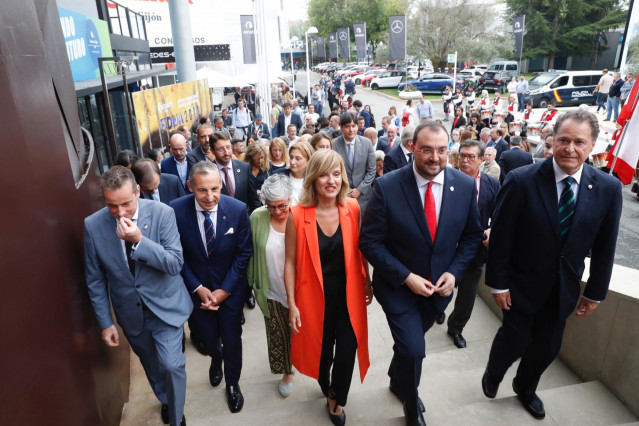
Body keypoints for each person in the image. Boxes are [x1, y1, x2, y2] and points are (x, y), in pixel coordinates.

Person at [482, 110, 623, 420]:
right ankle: (494, 371)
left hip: (564, 288)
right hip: (519, 284)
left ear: (592, 145)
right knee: (514, 339)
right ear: (552, 141)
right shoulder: (521, 181)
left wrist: (595, 292)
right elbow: (502, 238)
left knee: (547, 348)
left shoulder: (609, 188)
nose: (570, 148)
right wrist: (499, 283)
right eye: (563, 140)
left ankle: (525, 387)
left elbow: (605, 247)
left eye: (579, 142)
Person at [360, 122, 483, 426]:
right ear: (413, 148)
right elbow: (369, 242)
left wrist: (454, 273)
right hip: (398, 288)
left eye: (442, 150)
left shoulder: (465, 186)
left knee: (408, 346)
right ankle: (411, 407)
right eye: (427, 149)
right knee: (415, 350)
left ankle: (395, 377)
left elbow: (471, 237)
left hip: (438, 292)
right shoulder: (387, 186)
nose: (434, 157)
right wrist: (406, 277)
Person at [84, 166, 192, 426]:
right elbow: (95, 278)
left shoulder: (163, 213)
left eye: (126, 204)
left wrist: (140, 240)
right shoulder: (92, 225)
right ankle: (166, 399)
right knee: (153, 367)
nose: (120, 212)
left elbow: (174, 263)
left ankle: (177, 417)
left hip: (165, 307)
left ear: (138, 192)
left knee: (171, 365)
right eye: (112, 206)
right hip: (131, 314)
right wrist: (105, 322)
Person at [284, 149, 372, 425]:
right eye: (324, 174)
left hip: (349, 296)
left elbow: (361, 251)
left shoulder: (353, 208)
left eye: (336, 173)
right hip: (313, 298)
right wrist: (292, 304)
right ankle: (326, 384)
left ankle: (336, 399)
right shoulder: (296, 215)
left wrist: (367, 279)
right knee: (321, 355)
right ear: (313, 179)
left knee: (347, 352)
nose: (331, 180)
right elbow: (289, 263)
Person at [170, 162, 253, 414]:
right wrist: (197, 288)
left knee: (232, 339)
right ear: (190, 187)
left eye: (215, 189)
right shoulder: (175, 210)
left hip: (230, 292)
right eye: (202, 190)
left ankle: (232, 383)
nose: (210, 197)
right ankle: (216, 358)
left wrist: (224, 290)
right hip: (197, 294)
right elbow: (177, 255)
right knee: (206, 339)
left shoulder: (238, 209)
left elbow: (243, 253)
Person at [447, 140, 500, 349]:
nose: (465, 160)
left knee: (467, 292)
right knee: (442, 287)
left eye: (471, 156)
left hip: (476, 250)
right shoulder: (446, 179)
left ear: (481, 160)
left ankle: (456, 328)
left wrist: (491, 230)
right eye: (462, 155)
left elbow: (500, 214)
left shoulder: (492, 184)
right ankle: (437, 311)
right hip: (447, 248)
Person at [247, 174, 296, 397]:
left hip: (300, 292)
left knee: (303, 335)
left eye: (282, 205)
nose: (277, 212)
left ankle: (310, 365)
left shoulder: (302, 215)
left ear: (290, 198)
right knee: (279, 333)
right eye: (271, 207)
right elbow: (249, 254)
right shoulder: (257, 217)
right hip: (272, 290)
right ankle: (288, 371)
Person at [331, 112, 377, 210]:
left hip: (363, 197)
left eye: (353, 126)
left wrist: (359, 190)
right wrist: (346, 191)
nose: (351, 130)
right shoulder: (333, 145)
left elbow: (372, 170)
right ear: (341, 128)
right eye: (347, 126)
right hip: (341, 195)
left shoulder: (367, 143)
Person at [209, 132, 261, 213]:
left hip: (244, 220)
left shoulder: (244, 167)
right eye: (220, 149)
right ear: (212, 151)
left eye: (228, 147)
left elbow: (253, 199)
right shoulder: (208, 172)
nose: (226, 152)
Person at [273, 141, 314, 205]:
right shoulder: (277, 175)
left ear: (309, 161)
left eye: (297, 159)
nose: (292, 162)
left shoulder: (314, 180)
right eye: (291, 157)